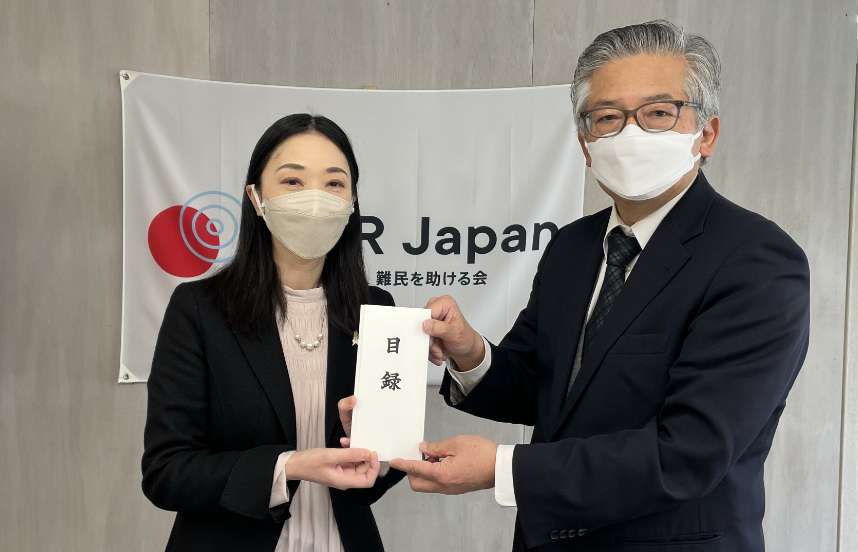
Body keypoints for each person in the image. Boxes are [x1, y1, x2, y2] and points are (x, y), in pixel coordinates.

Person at [390, 20, 810, 552]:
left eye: (659, 113)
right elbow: (544, 387)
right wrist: (470, 353)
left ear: (706, 133)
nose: (630, 134)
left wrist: (501, 467)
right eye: (607, 118)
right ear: (586, 145)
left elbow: (689, 454)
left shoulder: (756, 260)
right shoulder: (572, 248)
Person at [142, 114, 404, 552]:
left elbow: (379, 473)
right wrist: (291, 466)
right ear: (256, 197)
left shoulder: (376, 310)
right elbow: (166, 472)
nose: (316, 199)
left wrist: (376, 458)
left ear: (353, 201)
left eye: (334, 184)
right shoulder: (199, 310)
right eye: (293, 182)